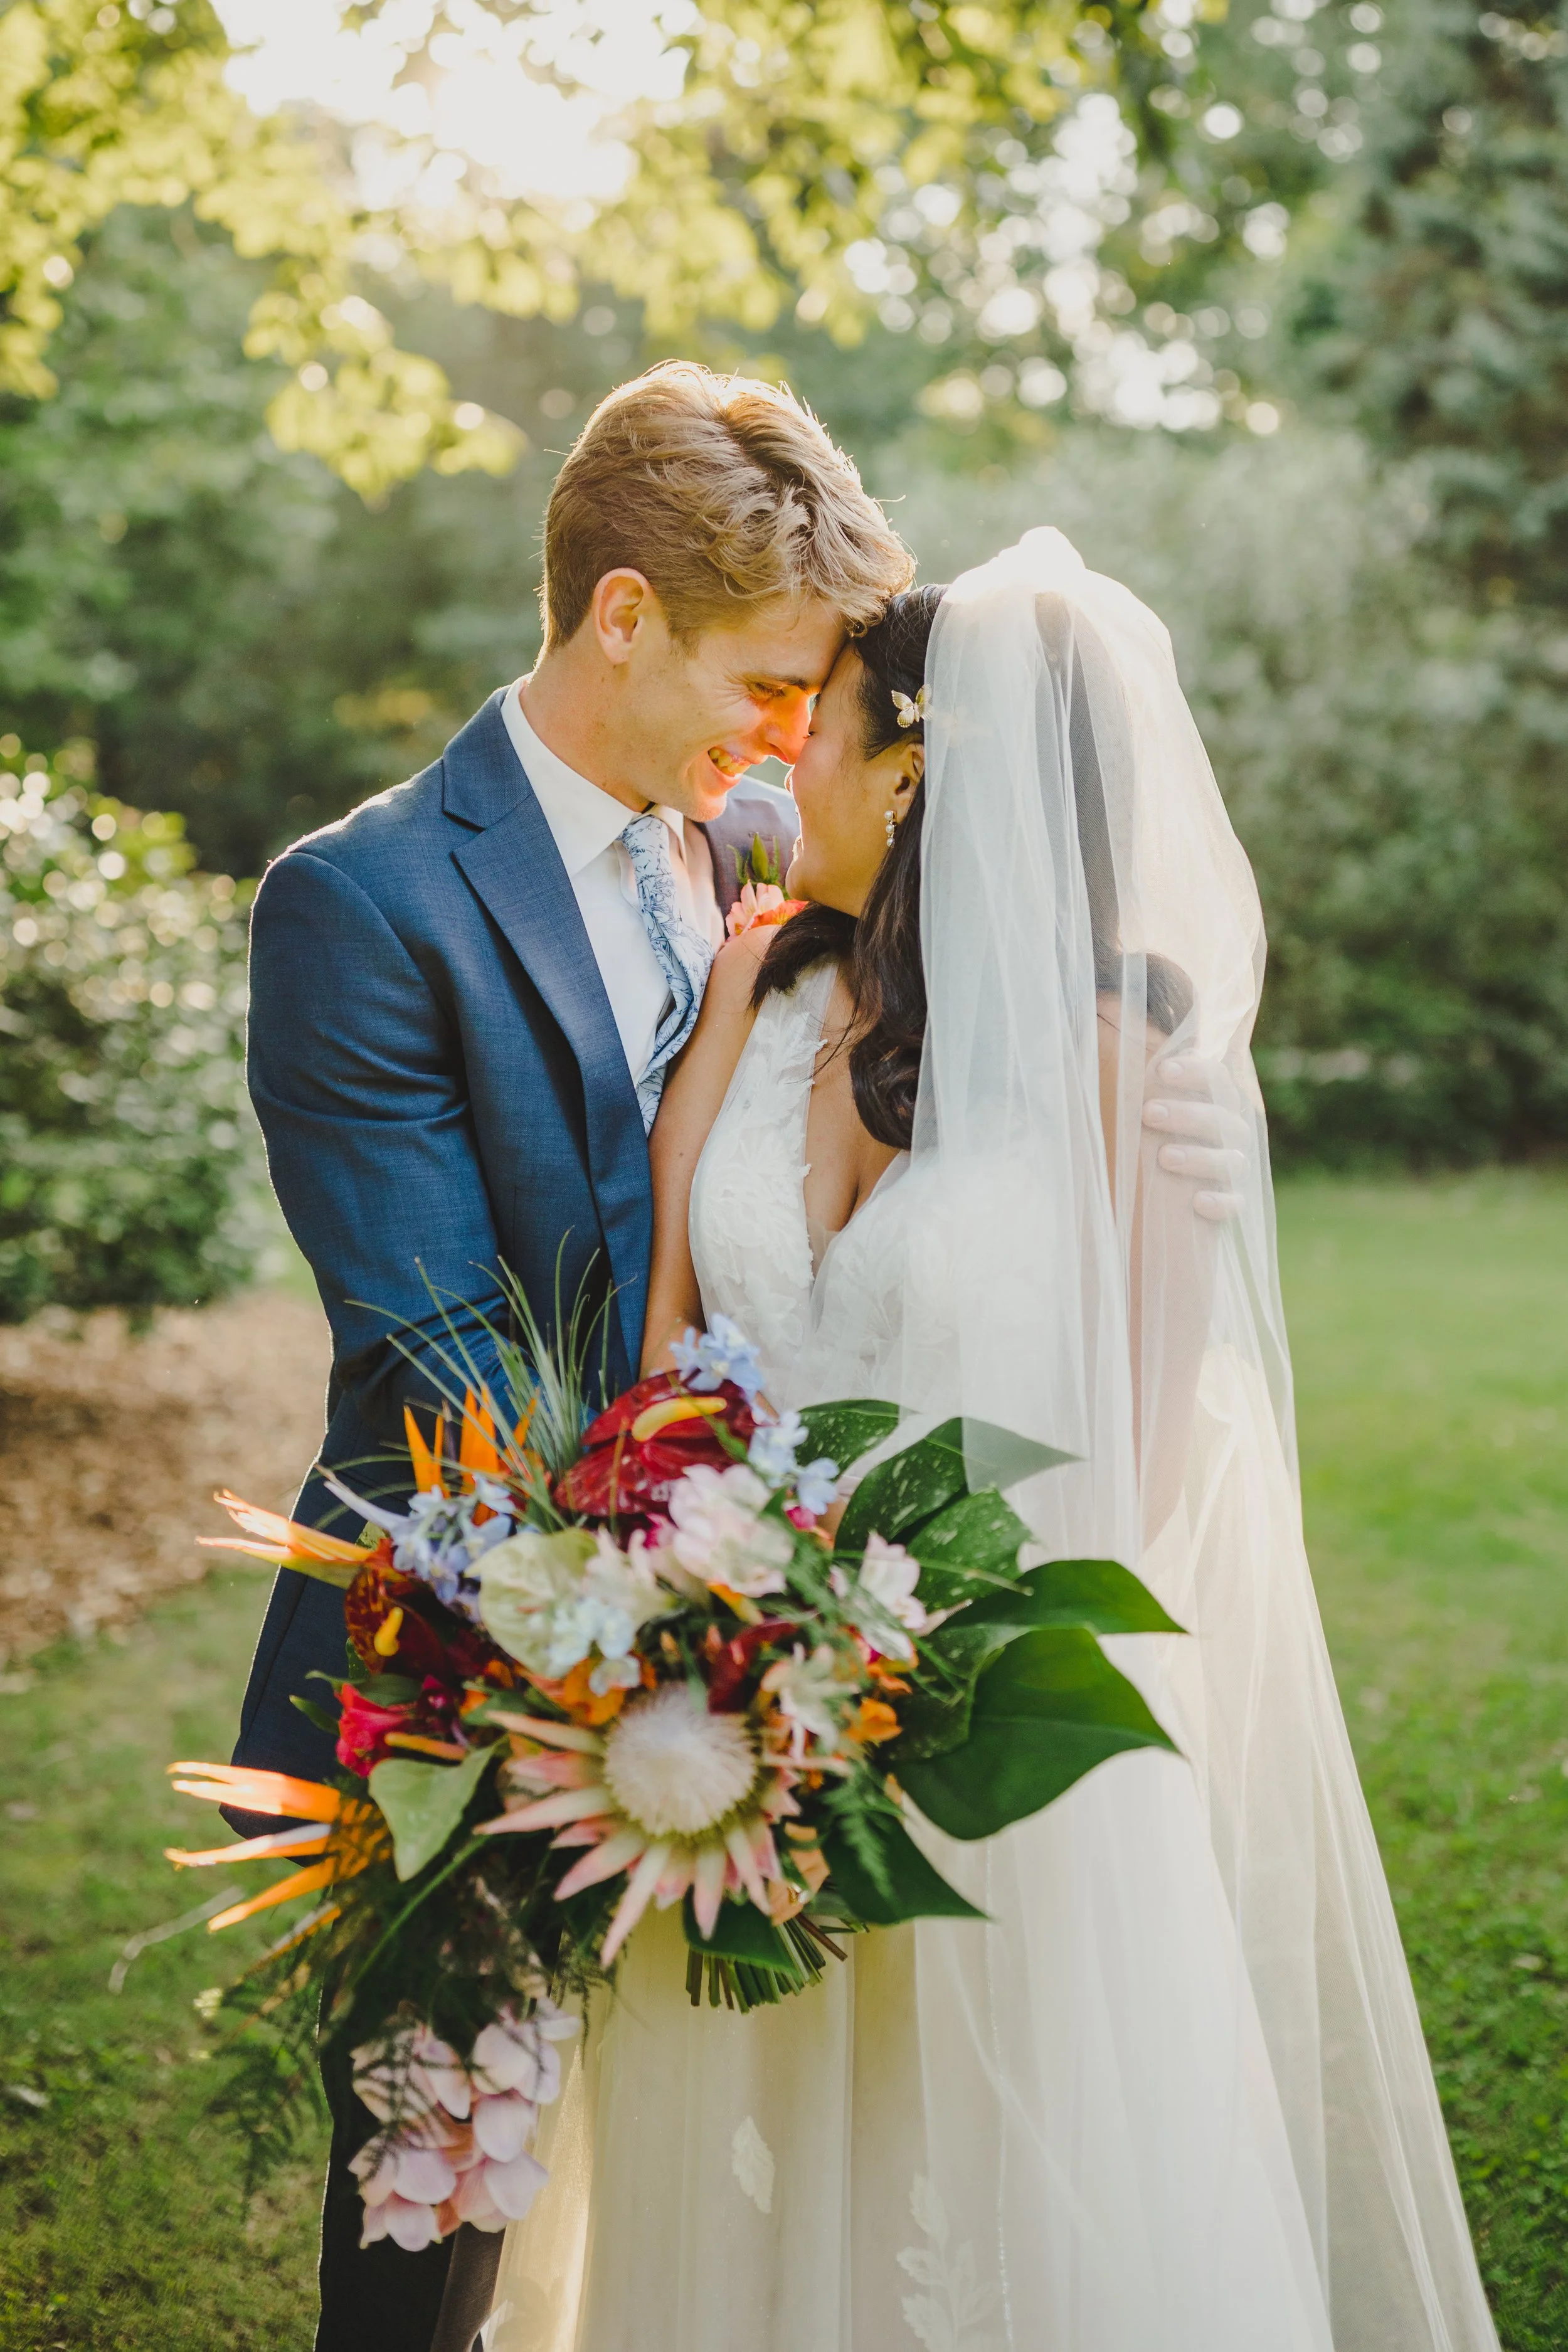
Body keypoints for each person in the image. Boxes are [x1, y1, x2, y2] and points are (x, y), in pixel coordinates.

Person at [489, 532, 1500, 2351]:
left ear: (909, 770)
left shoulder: (1130, 1063)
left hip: (990, 1772)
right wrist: (679, 1633)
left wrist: (877, 1679)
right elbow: (660, 1351)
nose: (780, 757)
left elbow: (1141, 1477)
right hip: (719, 1739)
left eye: (820, 723)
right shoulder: (756, 986)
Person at [231, 362, 915, 2352]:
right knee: (432, 2233)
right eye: (762, 682)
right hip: (455, 1669)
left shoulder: (743, 857)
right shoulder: (359, 903)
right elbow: (446, 1351)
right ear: (624, 613)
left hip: (724, 1663)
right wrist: (719, 1591)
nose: (786, 736)